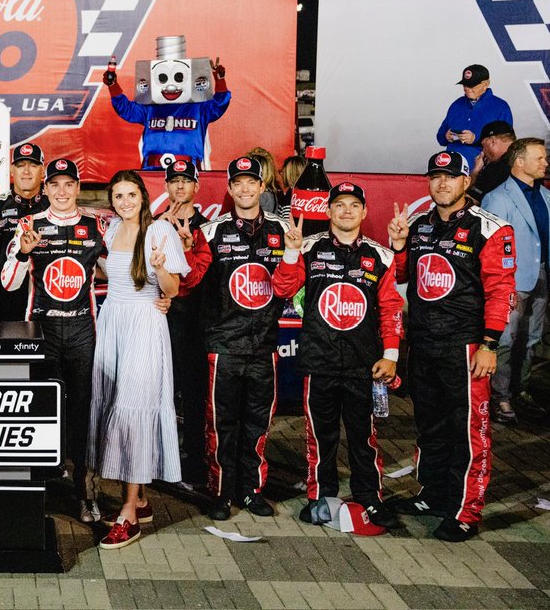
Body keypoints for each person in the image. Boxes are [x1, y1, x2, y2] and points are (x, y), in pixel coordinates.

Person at [387, 150, 515, 542]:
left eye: (450, 177)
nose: (441, 183)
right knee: (430, 426)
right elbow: (405, 275)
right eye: (435, 177)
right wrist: (398, 245)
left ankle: (465, 510)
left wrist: (489, 344)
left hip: (466, 346)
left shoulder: (490, 228)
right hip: (424, 343)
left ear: (465, 182)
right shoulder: (421, 225)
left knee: (469, 430)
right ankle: (434, 494)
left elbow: (500, 291)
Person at [271, 182, 404, 530]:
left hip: (365, 364)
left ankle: (370, 498)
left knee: (364, 436)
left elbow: (391, 309)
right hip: (320, 362)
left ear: (364, 212)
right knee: (320, 435)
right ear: (328, 212)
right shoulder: (309, 248)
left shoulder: (380, 256)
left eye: (353, 205)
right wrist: (289, 253)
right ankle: (321, 497)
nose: (346, 211)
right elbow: (283, 289)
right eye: (339, 205)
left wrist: (391, 355)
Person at [87, 169, 187, 549]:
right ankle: (141, 499)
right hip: (113, 321)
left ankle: (128, 511)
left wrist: (161, 267)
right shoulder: (111, 230)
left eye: (131, 195)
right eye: (118, 196)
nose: (125, 202)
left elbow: (173, 289)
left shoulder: (160, 232)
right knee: (116, 405)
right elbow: (107, 271)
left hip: (145, 324)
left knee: (134, 410)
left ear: (143, 196)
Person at [2, 158, 107, 521]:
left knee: (83, 410)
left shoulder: (96, 226)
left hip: (81, 330)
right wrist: (23, 252)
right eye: (55, 185)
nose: (62, 192)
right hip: (42, 330)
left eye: (69, 184)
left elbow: (124, 273)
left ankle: (84, 490)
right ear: (45, 189)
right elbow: (8, 282)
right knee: (40, 409)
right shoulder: (30, 224)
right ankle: (38, 490)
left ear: (78, 188)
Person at [197, 156, 290, 520]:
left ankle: (251, 490)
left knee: (258, 423)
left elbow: (289, 286)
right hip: (224, 347)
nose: (246, 188)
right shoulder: (211, 232)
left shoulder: (282, 232)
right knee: (221, 425)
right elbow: (190, 281)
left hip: (264, 346)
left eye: (252, 182)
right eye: (239, 183)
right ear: (230, 188)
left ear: (262, 187)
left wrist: (295, 252)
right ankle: (220, 492)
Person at [481, 137, 550, 424]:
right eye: (540, 158)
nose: (545, 163)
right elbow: (491, 247)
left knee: (531, 338)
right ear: (519, 162)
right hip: (510, 280)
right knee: (506, 340)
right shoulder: (497, 198)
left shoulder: (546, 196)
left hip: (541, 276)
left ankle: (519, 391)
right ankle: (500, 398)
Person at [155, 158, 213, 486]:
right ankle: (161, 460)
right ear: (166, 186)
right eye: (174, 180)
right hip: (163, 323)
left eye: (186, 180)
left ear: (196, 186)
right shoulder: (154, 226)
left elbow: (209, 278)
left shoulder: (208, 228)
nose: (179, 186)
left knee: (193, 396)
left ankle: (193, 460)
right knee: (162, 393)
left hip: (196, 324)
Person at [0, 143, 50, 324]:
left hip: (41, 300)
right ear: (12, 170)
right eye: (21, 165)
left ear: (43, 170)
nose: (26, 171)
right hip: (0, 300)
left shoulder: (52, 207)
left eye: (33, 165)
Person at [105, 58, 231, 169]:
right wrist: (113, 85)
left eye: (179, 78)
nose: (171, 86)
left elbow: (219, 104)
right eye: (163, 79)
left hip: (188, 171)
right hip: (152, 170)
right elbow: (127, 109)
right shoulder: (150, 107)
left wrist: (220, 80)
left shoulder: (198, 107)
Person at [436, 64, 512, 163]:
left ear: (486, 84)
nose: (467, 88)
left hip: (483, 168)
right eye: (465, 84)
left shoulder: (500, 107)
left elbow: (506, 143)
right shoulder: (457, 104)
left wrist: (476, 139)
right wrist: (446, 136)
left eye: (472, 85)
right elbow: (440, 138)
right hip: (454, 166)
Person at [470, 121, 517, 202]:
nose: (483, 151)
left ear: (492, 141)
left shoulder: (496, 168)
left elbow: (470, 202)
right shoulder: (526, 158)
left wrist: (475, 172)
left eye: (483, 146)